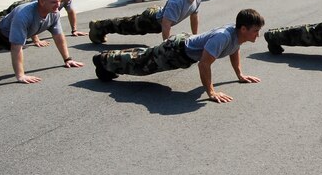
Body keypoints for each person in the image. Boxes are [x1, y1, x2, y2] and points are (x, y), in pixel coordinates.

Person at [92, 8, 265, 104]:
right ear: (243, 29)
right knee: (141, 65)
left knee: (145, 56)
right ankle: (103, 60)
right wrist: (211, 92)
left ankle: (106, 60)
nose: (257, 35)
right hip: (175, 51)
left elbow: (234, 50)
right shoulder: (223, 37)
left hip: (183, 48)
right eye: (255, 31)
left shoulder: (237, 36)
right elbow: (204, 65)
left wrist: (240, 75)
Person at [0, 0, 84, 83]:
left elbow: (58, 36)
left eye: (59, 1)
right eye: (54, 2)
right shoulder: (23, 15)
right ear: (42, 2)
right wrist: (20, 76)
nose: (58, 5)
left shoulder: (54, 13)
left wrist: (68, 59)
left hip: (5, 37)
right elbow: (16, 47)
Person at [89, 0, 205, 44]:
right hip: (152, 20)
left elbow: (194, 16)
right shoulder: (177, 1)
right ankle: (97, 26)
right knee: (124, 26)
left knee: (126, 25)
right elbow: (166, 24)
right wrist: (166, 46)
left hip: (158, 20)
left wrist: (195, 36)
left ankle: (99, 26)